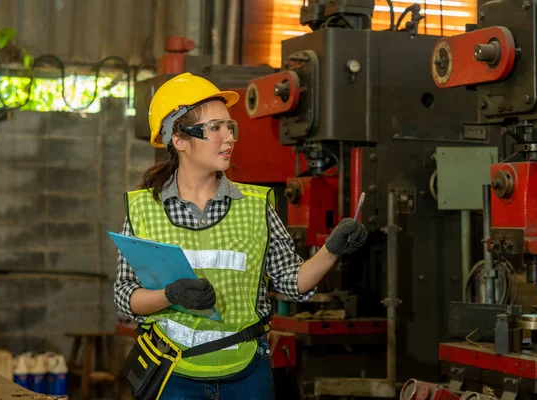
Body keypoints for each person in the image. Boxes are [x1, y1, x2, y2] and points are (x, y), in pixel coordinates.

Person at [113, 72, 368, 400]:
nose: (229, 137)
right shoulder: (143, 209)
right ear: (179, 139)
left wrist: (331, 249)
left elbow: (292, 282)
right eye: (215, 128)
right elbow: (125, 296)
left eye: (230, 127)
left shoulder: (255, 206)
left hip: (247, 375)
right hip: (172, 376)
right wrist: (171, 295)